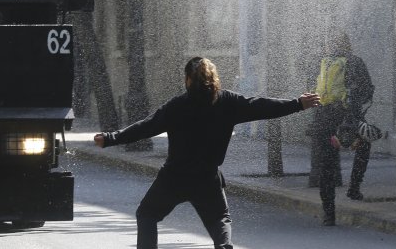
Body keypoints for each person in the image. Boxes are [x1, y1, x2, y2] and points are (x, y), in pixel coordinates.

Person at [94, 57, 320, 249]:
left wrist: (112, 138)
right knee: (219, 220)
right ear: (214, 79)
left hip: (174, 177)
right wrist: (297, 104)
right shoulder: (227, 102)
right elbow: (262, 106)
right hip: (206, 178)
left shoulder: (178, 105)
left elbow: (147, 126)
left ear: (188, 80)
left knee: (147, 215)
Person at [311, 31, 374, 226]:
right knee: (364, 145)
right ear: (348, 45)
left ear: (330, 46)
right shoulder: (355, 62)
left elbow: (312, 91)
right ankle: (354, 187)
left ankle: (328, 213)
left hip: (324, 120)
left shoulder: (323, 63)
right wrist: (355, 106)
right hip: (348, 121)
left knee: (326, 167)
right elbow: (367, 90)